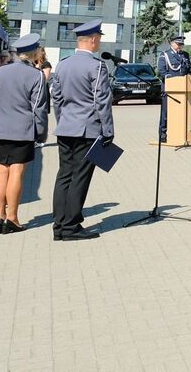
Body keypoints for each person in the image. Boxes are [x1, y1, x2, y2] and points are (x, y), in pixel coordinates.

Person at [50, 20, 114, 241]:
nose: (100, 42)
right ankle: (71, 226)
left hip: (65, 127)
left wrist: (64, 121)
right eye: (100, 38)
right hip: (87, 130)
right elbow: (102, 101)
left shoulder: (62, 64)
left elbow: (56, 99)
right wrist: (108, 130)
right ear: (94, 39)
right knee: (80, 177)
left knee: (64, 175)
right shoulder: (96, 66)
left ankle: (59, 224)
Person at [0, 33, 49, 234]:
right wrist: (41, 133)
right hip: (22, 130)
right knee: (16, 171)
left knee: (0, 170)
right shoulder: (36, 75)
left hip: (0, 128)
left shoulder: (0, 72)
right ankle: (12, 218)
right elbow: (39, 108)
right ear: (33, 53)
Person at [156, 34, 191, 142]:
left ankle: (180, 134)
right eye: (178, 44)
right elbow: (162, 72)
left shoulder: (185, 55)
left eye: (181, 44)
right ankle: (162, 135)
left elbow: (190, 69)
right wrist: (176, 80)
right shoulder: (165, 55)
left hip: (183, 90)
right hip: (170, 89)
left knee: (182, 113)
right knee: (166, 113)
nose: (180, 46)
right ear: (172, 43)